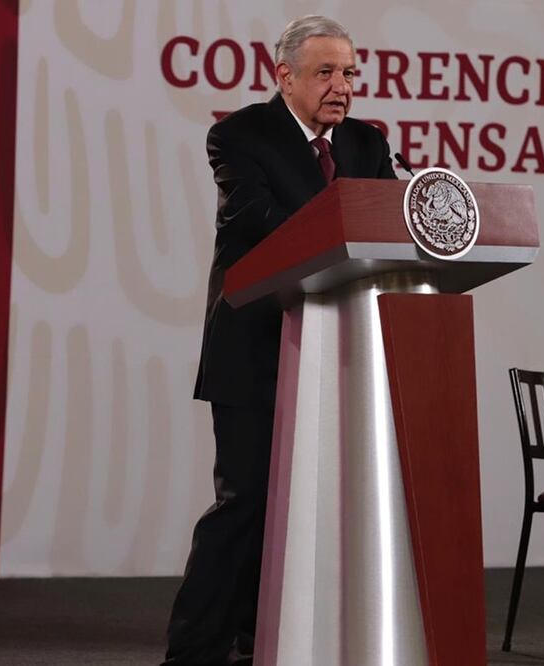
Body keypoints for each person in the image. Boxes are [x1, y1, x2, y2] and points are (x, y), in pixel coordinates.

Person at [163, 15, 396, 666]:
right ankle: (192, 652)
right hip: (258, 349)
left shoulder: (366, 146)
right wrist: (352, 235)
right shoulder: (238, 135)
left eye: (349, 71)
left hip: (339, 353)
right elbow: (258, 221)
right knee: (246, 503)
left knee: (312, 512)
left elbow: (388, 220)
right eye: (325, 71)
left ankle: (257, 641)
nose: (341, 85)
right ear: (283, 75)